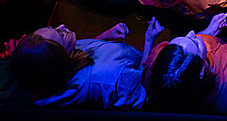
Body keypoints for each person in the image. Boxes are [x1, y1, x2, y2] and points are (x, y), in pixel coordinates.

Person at [143, 13, 227, 117]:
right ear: (202, 71)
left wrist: (208, 32)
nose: (192, 33)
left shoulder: (159, 66)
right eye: (195, 42)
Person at [10, 22, 146, 109]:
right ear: (61, 58)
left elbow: (84, 51)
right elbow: (147, 89)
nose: (62, 26)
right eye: (60, 34)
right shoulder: (108, 77)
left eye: (53, 28)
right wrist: (149, 41)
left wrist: (106, 35)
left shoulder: (66, 50)